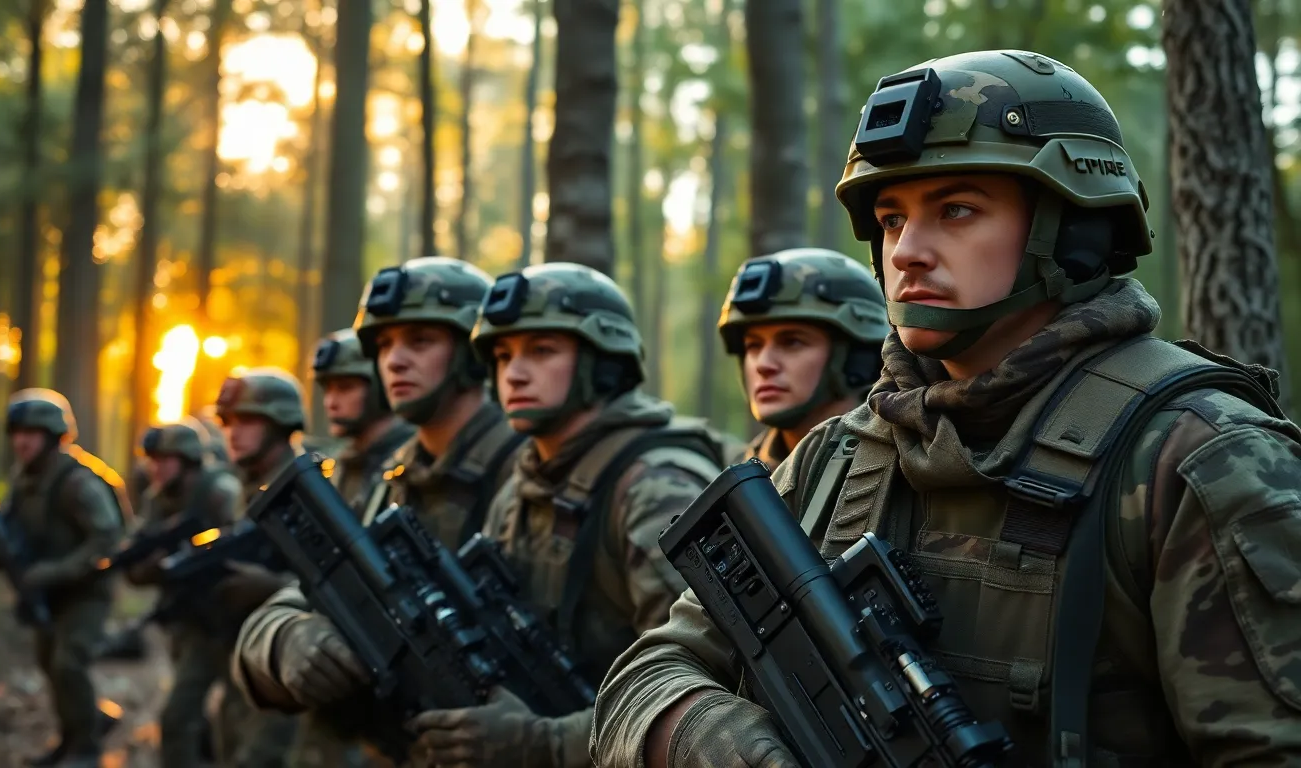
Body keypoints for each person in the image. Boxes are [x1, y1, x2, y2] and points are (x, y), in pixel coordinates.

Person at [590, 49, 1301, 767]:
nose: (906, 253)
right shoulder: (834, 459)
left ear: (1073, 227)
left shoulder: (1198, 458)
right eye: (892, 219)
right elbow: (644, 678)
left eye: (956, 210)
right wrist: (729, 747)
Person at [382, 262, 724, 767]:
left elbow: (700, 677)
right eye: (502, 355)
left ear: (602, 362)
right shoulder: (522, 487)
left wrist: (541, 743)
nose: (513, 373)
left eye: (541, 352)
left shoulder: (655, 486)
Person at [229, 257, 526, 765]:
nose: (394, 361)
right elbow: (301, 601)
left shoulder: (522, 473)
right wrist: (286, 641)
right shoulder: (396, 475)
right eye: (384, 345)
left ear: (472, 354)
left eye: (420, 341)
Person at [0, 389, 124, 767]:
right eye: (17, 432)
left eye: (32, 432)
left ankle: (86, 749)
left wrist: (54, 571)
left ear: (53, 436)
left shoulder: (77, 481)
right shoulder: (24, 479)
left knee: (68, 662)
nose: (22, 441)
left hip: (87, 590)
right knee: (49, 663)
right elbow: (10, 528)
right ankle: (78, 730)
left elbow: (107, 538)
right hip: (50, 593)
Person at [122, 420, 243, 768]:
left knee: (238, 724)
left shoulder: (221, 491)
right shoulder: (157, 500)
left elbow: (247, 544)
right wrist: (156, 566)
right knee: (179, 718)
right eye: (151, 459)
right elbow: (137, 560)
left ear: (189, 459)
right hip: (194, 625)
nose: (155, 467)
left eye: (165, 459)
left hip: (234, 622)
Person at [210, 367, 308, 767]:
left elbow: (341, 586)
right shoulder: (248, 486)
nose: (234, 432)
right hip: (247, 656)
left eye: (248, 421)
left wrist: (271, 586)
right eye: (229, 422)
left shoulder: (308, 489)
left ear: (281, 423)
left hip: (293, 663)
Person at [718, 247, 890, 468]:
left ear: (856, 358)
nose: (763, 365)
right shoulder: (740, 480)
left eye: (792, 342)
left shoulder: (908, 465)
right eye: (753, 345)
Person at [311, 328, 414, 518]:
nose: (330, 402)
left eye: (345, 388)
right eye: (327, 389)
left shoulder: (408, 462)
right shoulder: (337, 466)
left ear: (379, 387)